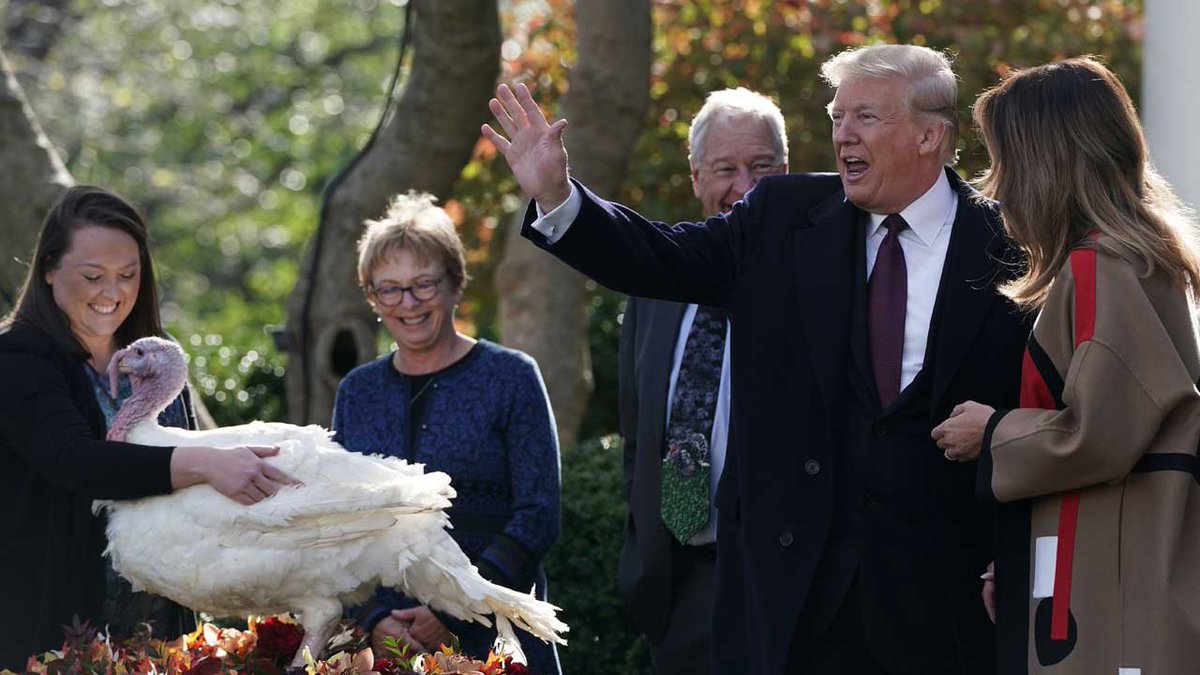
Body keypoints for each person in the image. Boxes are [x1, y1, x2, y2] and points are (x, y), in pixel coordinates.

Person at [483, 44, 1031, 674]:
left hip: (947, 606)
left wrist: (1010, 550)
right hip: (799, 605)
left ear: (931, 135)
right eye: (836, 116)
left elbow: (1045, 409)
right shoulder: (782, 218)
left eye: (866, 118)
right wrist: (559, 196)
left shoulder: (1009, 243)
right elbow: (662, 255)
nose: (843, 134)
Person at [931, 57, 1200, 674]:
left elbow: (1101, 434)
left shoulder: (1100, 266)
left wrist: (992, 430)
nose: (996, 185)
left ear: (1045, 164)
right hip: (1117, 565)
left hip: (1114, 590)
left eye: (1005, 161)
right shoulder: (1139, 256)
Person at [0, 186, 296, 669]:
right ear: (50, 268)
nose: (112, 293)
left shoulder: (156, 356)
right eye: (93, 276)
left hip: (162, 631)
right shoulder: (18, 358)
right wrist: (202, 463)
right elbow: (75, 460)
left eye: (128, 275)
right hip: (56, 635)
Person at [331, 192, 561, 673]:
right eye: (388, 289)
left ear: (455, 284)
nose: (407, 304)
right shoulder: (357, 391)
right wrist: (373, 616)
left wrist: (453, 606)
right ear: (372, 297)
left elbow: (537, 513)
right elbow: (338, 525)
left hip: (498, 638)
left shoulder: (511, 376)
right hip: (386, 644)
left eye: (423, 285)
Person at [617, 87, 787, 674]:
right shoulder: (654, 285)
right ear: (695, 178)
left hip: (778, 582)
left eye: (761, 168)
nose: (743, 185)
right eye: (725, 169)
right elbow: (637, 432)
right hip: (677, 584)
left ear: (785, 174)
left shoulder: (815, 279)